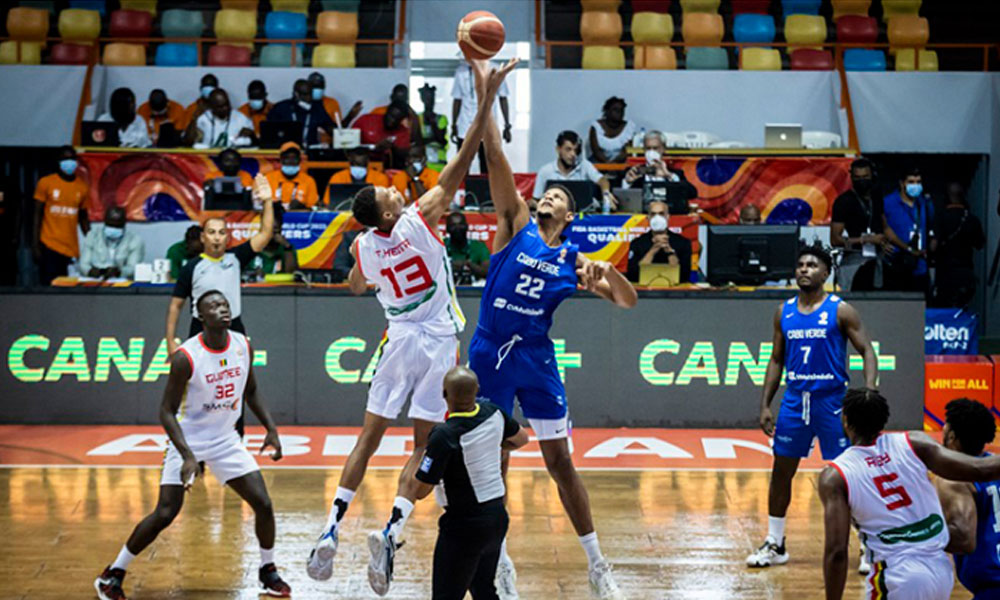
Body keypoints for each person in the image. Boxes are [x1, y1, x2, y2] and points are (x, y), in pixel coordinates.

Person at [305, 58, 517, 597]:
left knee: (369, 435)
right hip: (436, 340)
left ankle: (331, 528)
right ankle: (392, 528)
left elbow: (356, 286)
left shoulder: (365, 244)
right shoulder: (420, 217)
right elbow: (466, 155)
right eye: (388, 196)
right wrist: (486, 97)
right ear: (389, 215)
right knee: (425, 446)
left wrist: (365, 263)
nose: (394, 190)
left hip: (396, 339)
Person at [469, 61, 639, 600]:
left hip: (536, 357)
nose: (549, 198)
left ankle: (596, 563)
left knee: (559, 461)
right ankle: (498, 559)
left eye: (560, 199)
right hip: (491, 351)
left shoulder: (573, 259)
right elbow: (494, 155)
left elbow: (628, 303)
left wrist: (608, 273)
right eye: (547, 194)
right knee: (492, 459)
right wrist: (486, 90)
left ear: (568, 216)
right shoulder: (513, 225)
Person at [93, 290, 291, 600]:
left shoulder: (242, 344)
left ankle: (268, 572)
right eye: (214, 306)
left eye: (225, 304)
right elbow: (166, 411)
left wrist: (271, 427)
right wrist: (188, 456)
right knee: (166, 512)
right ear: (201, 317)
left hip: (226, 440)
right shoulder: (186, 357)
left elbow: (251, 390)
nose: (222, 309)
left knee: (263, 504)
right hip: (189, 440)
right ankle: (112, 574)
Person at [747, 245, 878, 571]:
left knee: (849, 475)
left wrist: (870, 392)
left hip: (834, 403)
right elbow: (776, 359)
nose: (804, 269)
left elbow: (868, 351)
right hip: (795, 401)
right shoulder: (784, 312)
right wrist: (766, 403)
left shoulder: (841, 310)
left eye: (812, 265)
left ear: (825, 273)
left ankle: (866, 545)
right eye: (801, 264)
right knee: (781, 472)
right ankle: (776, 543)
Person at [818, 389, 1000, 600]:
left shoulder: (835, 475)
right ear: (883, 421)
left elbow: (837, 552)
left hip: (897, 575)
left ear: (845, 421)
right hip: (940, 572)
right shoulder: (914, 443)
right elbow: (981, 469)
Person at [412, 366, 529, 600]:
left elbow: (420, 491)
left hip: (462, 526)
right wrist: (493, 446)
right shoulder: (494, 413)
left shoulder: (443, 435)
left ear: (444, 395)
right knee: (484, 590)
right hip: (496, 520)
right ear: (477, 391)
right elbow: (521, 439)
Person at [165, 174, 274, 353]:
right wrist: (170, 340)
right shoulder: (191, 267)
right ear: (203, 237)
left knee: (240, 378)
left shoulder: (236, 258)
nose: (216, 237)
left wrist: (268, 201)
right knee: (198, 380)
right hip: (200, 329)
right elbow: (175, 306)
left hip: (233, 328)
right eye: (211, 232)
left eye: (221, 232)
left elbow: (265, 233)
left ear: (227, 237)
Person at [934, 398, 1000, 598]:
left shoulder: (955, 478)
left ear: (952, 436)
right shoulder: (994, 463)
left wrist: (914, 534)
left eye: (945, 425)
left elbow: (963, 539)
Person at [33, 146, 90, 285]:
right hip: (49, 246)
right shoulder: (46, 183)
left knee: (67, 291)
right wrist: (35, 245)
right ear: (58, 161)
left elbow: (83, 219)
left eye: (72, 158)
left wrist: (92, 245)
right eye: (65, 158)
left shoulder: (82, 187)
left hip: (71, 250)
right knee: (48, 289)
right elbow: (37, 215)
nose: (69, 162)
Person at [831, 158, 886, 291]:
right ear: (852, 178)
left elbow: (885, 227)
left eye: (865, 177)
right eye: (857, 178)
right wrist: (865, 240)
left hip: (877, 259)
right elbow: (835, 239)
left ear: (872, 176)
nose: (862, 181)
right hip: (855, 260)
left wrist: (889, 242)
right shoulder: (844, 201)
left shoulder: (876, 198)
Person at [452, 58, 511, 174]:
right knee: (462, 166)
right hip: (465, 127)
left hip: (487, 127)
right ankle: (463, 191)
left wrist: (507, 125)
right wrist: (454, 125)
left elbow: (503, 98)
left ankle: (487, 191)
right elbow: (457, 99)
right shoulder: (461, 71)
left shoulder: (496, 69)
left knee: (488, 166)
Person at [931, 182, 985, 308]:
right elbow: (980, 244)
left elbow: (933, 245)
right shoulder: (972, 219)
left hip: (945, 272)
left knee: (944, 307)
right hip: (965, 272)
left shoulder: (941, 218)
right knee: (963, 308)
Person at [883, 166, 935, 294]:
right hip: (895, 265)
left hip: (920, 266)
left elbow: (931, 228)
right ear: (902, 183)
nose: (915, 186)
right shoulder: (888, 203)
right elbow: (882, 228)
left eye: (918, 182)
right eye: (911, 182)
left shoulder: (925, 203)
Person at [532, 130, 614, 211]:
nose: (573, 154)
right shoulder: (545, 171)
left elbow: (603, 181)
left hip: (581, 217)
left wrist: (606, 195)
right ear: (558, 149)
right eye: (568, 149)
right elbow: (536, 200)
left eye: (576, 150)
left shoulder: (584, 165)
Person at [623, 132, 697, 211]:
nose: (651, 152)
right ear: (643, 150)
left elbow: (692, 193)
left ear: (663, 149)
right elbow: (621, 200)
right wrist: (628, 183)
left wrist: (668, 175)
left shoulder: (675, 173)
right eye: (648, 148)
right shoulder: (634, 173)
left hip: (670, 217)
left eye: (655, 148)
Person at [626, 200, 691, 283]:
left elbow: (684, 276)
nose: (657, 218)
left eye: (661, 214)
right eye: (653, 214)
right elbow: (633, 275)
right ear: (648, 218)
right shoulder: (637, 243)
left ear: (668, 217)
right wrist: (654, 249)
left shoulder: (683, 243)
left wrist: (669, 251)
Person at [79, 206, 144, 280]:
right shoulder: (92, 236)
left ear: (124, 224)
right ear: (105, 222)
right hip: (93, 283)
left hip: (122, 285)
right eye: (110, 225)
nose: (113, 228)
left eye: (117, 226)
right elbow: (83, 264)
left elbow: (133, 267)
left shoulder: (135, 240)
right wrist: (90, 271)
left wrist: (119, 272)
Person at [267, 79, 336, 147]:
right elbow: (269, 131)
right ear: (296, 94)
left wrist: (338, 133)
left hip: (309, 150)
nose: (309, 97)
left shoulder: (317, 108)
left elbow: (329, 126)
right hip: (286, 149)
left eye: (311, 94)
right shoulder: (281, 108)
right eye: (305, 94)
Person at [186, 89, 254, 149]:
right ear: (212, 107)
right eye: (220, 107)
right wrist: (194, 119)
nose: (225, 108)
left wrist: (251, 135)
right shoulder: (204, 118)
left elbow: (253, 142)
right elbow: (189, 140)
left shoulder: (240, 118)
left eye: (227, 104)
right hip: (207, 159)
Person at [244, 205, 297, 281]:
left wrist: (287, 247)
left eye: (275, 230)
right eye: (267, 230)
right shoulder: (251, 247)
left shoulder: (287, 249)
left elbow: (291, 274)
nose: (270, 235)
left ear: (280, 229)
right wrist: (254, 275)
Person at [324, 147, 390, 207]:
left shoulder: (380, 177)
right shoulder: (337, 177)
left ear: (368, 159)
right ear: (349, 158)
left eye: (362, 154)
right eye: (355, 163)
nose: (359, 157)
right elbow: (328, 203)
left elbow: (383, 203)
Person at [265, 142, 320, 210]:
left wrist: (303, 207)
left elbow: (313, 208)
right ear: (281, 160)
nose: (291, 161)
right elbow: (259, 205)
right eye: (287, 158)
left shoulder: (309, 181)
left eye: (294, 158)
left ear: (299, 161)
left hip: (299, 218)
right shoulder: (268, 178)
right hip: (273, 217)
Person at [355, 102, 411, 168]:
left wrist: (393, 148)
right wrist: (375, 148)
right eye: (391, 116)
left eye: (397, 119)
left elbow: (402, 158)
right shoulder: (366, 120)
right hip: (360, 164)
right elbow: (349, 144)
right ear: (386, 111)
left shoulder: (403, 132)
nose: (393, 121)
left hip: (386, 168)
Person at [445, 212, 489, 286]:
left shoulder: (478, 246)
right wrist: (449, 265)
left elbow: (487, 272)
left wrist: (468, 265)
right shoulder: (441, 246)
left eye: (460, 225)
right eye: (453, 226)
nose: (457, 228)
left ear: (466, 227)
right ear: (447, 229)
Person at [588, 97, 636, 164]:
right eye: (615, 109)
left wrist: (615, 163)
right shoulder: (596, 127)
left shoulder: (629, 127)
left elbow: (627, 151)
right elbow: (596, 151)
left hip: (621, 162)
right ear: (607, 111)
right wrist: (607, 163)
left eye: (621, 110)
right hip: (599, 161)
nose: (619, 112)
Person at [417, 82, 449, 172]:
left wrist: (432, 122)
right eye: (426, 98)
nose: (429, 100)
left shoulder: (441, 118)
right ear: (421, 99)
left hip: (439, 166)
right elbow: (416, 140)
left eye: (431, 97)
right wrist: (432, 139)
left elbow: (441, 140)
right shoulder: (417, 118)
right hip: (422, 165)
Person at [0, 175, 21, 286]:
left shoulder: (7, 183)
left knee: (7, 274)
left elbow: (18, 210)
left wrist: (15, 235)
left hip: (5, 238)